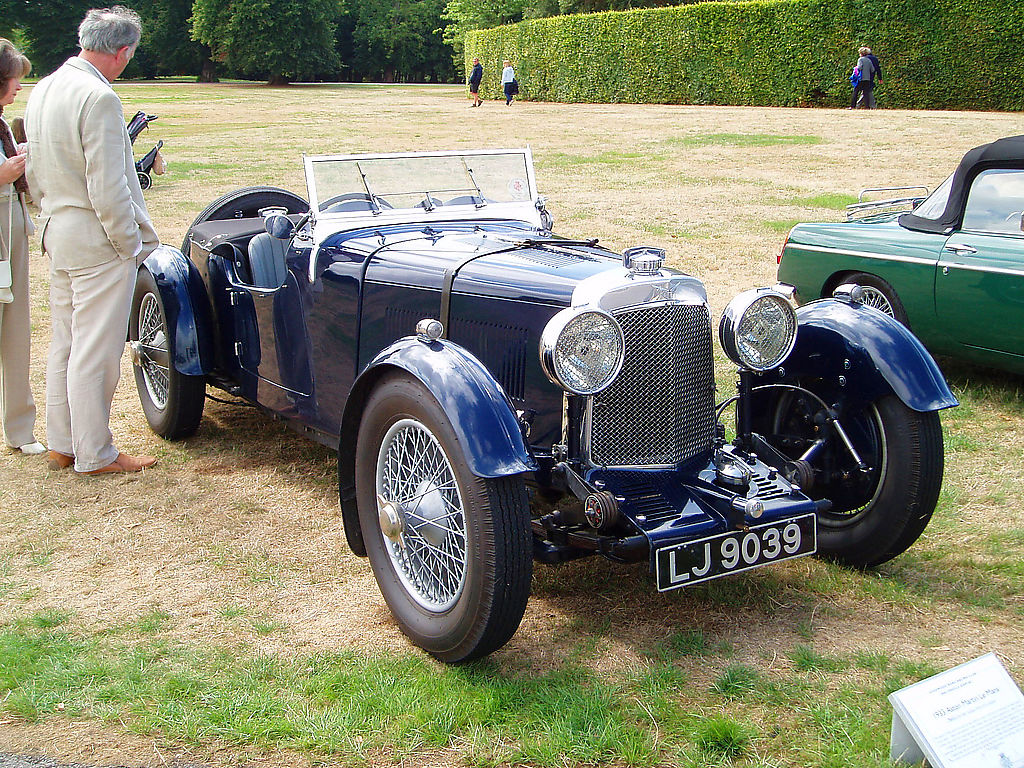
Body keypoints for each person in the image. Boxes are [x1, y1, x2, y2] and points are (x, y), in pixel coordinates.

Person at [25, 6, 160, 474]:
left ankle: (63, 442)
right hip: (96, 238)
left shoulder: (42, 88)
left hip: (57, 230)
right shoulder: (98, 98)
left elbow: (34, 172)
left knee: (64, 342)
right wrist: (129, 243)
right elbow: (109, 187)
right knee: (96, 352)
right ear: (123, 53)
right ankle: (95, 452)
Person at [0, 39, 45, 457]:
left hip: (12, 231)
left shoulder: (1, 124)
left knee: (16, 328)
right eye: (14, 78)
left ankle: (20, 427)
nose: (18, 88)